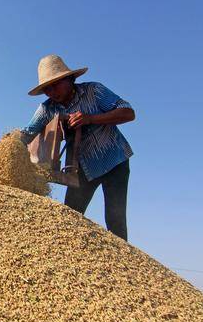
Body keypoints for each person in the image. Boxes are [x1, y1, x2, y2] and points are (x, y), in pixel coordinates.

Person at [20, 54, 135, 240]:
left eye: (55, 85)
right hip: (82, 168)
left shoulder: (93, 91)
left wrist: (90, 118)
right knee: (70, 216)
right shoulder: (47, 108)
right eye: (47, 89)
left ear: (69, 79)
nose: (51, 92)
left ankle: (124, 265)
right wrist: (11, 145)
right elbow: (27, 132)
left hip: (114, 161)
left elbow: (128, 112)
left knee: (115, 219)